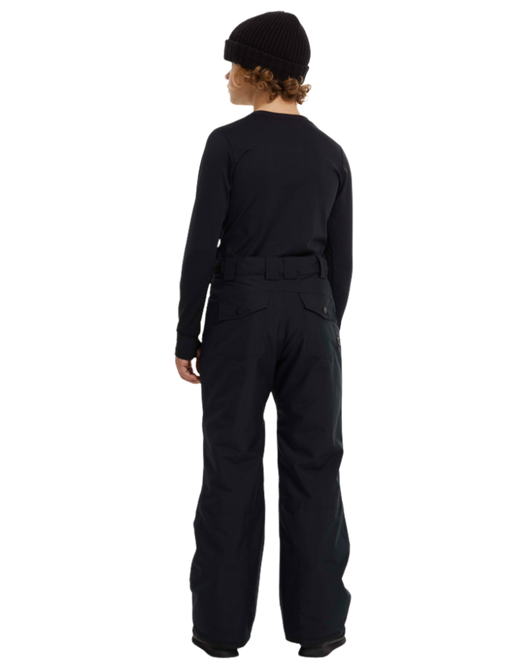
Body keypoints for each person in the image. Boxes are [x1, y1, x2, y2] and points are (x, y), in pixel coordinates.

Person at [171, 8, 355, 661]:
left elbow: (201, 247)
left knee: (232, 466)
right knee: (315, 467)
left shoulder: (226, 144)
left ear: (259, 71)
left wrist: (185, 336)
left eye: (231, 64)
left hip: (240, 312)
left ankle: (220, 633)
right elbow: (342, 261)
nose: (224, 75)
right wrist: (322, 326)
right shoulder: (332, 152)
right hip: (312, 313)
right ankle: (319, 628)